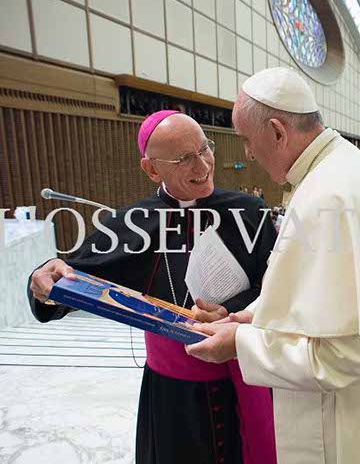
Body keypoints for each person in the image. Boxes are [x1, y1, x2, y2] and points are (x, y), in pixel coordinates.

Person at [185, 68, 360, 464]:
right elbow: (315, 294)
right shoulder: (339, 165)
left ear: (277, 132)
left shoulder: (329, 195)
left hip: (355, 409)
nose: (248, 154)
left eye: (249, 141)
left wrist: (239, 346)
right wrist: (250, 318)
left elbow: (346, 356)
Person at [27, 111, 277, 464]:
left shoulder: (249, 210)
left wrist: (232, 309)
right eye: (183, 158)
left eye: (205, 148)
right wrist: (44, 276)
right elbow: (67, 279)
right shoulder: (132, 223)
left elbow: (274, 284)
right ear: (152, 169)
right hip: (173, 394)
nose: (202, 163)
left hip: (244, 375)